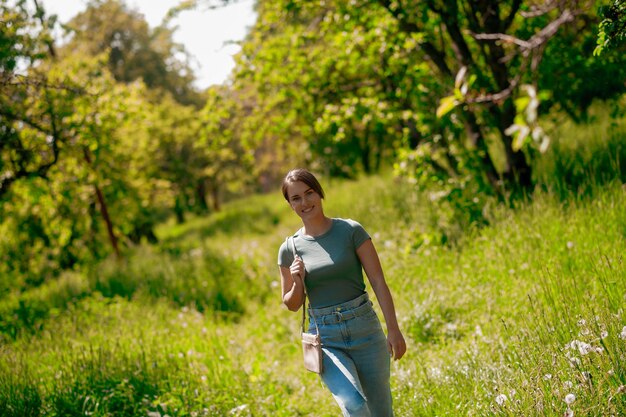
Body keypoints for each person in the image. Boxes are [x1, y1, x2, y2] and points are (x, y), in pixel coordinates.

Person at [277, 168, 407, 417]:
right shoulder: (289, 249)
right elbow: (292, 304)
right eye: (296, 198)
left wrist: (394, 328)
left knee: (381, 411)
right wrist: (297, 281)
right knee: (354, 405)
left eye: (309, 193)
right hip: (326, 338)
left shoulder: (351, 231)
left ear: (320, 193)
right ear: (290, 204)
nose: (305, 202)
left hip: (366, 328)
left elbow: (378, 281)